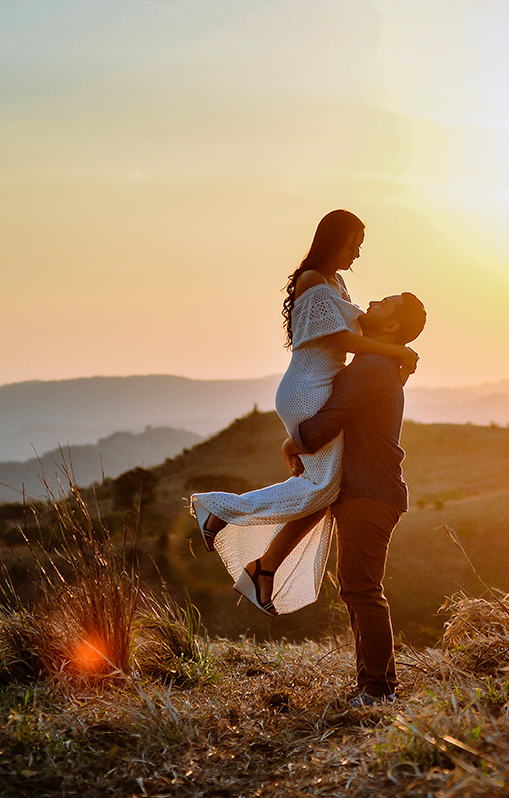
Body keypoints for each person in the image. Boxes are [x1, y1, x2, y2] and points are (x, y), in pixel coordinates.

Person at [189, 210, 418, 616]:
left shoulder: (336, 283)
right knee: (323, 487)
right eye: (353, 245)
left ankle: (264, 569)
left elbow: (360, 335)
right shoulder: (313, 281)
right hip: (308, 387)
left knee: (323, 489)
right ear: (333, 241)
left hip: (320, 384)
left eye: (360, 246)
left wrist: (397, 355)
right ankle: (219, 510)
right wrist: (397, 350)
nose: (357, 253)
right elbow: (344, 338)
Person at [282, 291, 426, 706]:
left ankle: (378, 690)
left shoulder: (376, 366)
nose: (372, 303)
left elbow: (332, 417)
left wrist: (293, 444)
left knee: (362, 589)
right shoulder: (377, 363)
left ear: (393, 326)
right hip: (367, 490)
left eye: (384, 303)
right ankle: (374, 684)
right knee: (357, 588)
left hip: (369, 492)